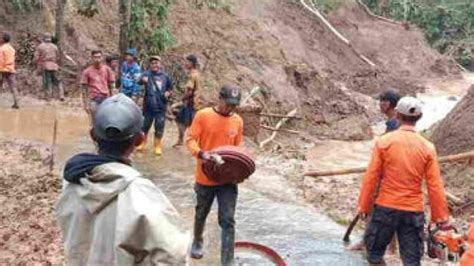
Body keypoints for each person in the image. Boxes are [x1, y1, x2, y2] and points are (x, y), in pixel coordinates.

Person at [55, 94, 189, 265]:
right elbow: (174, 256)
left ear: (92, 135)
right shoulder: (141, 193)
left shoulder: (71, 181)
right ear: (140, 139)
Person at [357, 96, 451, 266]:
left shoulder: (384, 142)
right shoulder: (427, 147)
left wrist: (363, 206)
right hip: (413, 211)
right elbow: (434, 184)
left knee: (374, 255)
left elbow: (372, 177)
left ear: (398, 116)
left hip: (386, 207)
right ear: (419, 118)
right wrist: (440, 217)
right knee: (412, 261)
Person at [186, 85, 244, 265]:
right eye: (227, 104)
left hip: (227, 179)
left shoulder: (238, 121)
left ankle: (228, 260)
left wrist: (240, 171)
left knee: (228, 220)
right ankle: (197, 240)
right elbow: (190, 140)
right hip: (205, 176)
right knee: (201, 212)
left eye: (234, 106)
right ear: (219, 99)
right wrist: (202, 154)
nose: (230, 108)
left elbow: (238, 149)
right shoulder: (203, 116)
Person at [347, 89, 402, 252]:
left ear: (388, 104)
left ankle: (367, 241)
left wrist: (378, 176)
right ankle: (391, 248)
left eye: (382, 101)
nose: (379, 104)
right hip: (394, 175)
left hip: (387, 175)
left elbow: (389, 153)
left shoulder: (394, 125)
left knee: (373, 208)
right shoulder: (396, 122)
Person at [136, 55, 173, 156]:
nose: (154, 65)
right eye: (152, 63)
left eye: (156, 63)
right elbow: (138, 81)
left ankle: (157, 145)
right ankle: (143, 143)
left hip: (161, 107)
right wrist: (142, 80)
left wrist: (168, 93)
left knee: (159, 127)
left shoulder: (165, 76)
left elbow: (170, 88)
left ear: (160, 64)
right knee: (144, 127)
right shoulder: (146, 74)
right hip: (148, 107)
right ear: (150, 65)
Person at [173, 54, 202, 147]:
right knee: (182, 121)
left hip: (190, 103)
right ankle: (181, 140)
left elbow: (189, 91)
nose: (185, 64)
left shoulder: (192, 75)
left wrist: (181, 100)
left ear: (192, 63)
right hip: (194, 102)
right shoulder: (196, 74)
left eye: (187, 62)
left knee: (186, 122)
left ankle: (191, 142)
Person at [80, 50, 116, 123]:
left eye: (99, 57)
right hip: (94, 98)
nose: (97, 59)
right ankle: (95, 133)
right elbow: (84, 88)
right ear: (92, 58)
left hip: (106, 98)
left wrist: (114, 99)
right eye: (95, 57)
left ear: (102, 58)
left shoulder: (107, 70)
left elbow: (112, 85)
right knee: (95, 120)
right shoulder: (87, 71)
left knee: (107, 119)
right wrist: (85, 103)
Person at [33, 34, 65, 101]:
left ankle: (48, 97)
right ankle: (61, 95)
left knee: (47, 82)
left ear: (44, 38)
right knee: (58, 81)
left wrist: (34, 62)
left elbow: (36, 57)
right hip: (54, 65)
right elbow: (58, 57)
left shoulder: (40, 46)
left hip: (46, 66)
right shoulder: (55, 47)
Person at [0, 32, 20, 109]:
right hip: (11, 69)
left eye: (1, 38)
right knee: (13, 86)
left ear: (3, 40)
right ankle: (16, 103)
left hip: (1, 69)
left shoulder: (1, 49)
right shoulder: (12, 49)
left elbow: (0, 60)